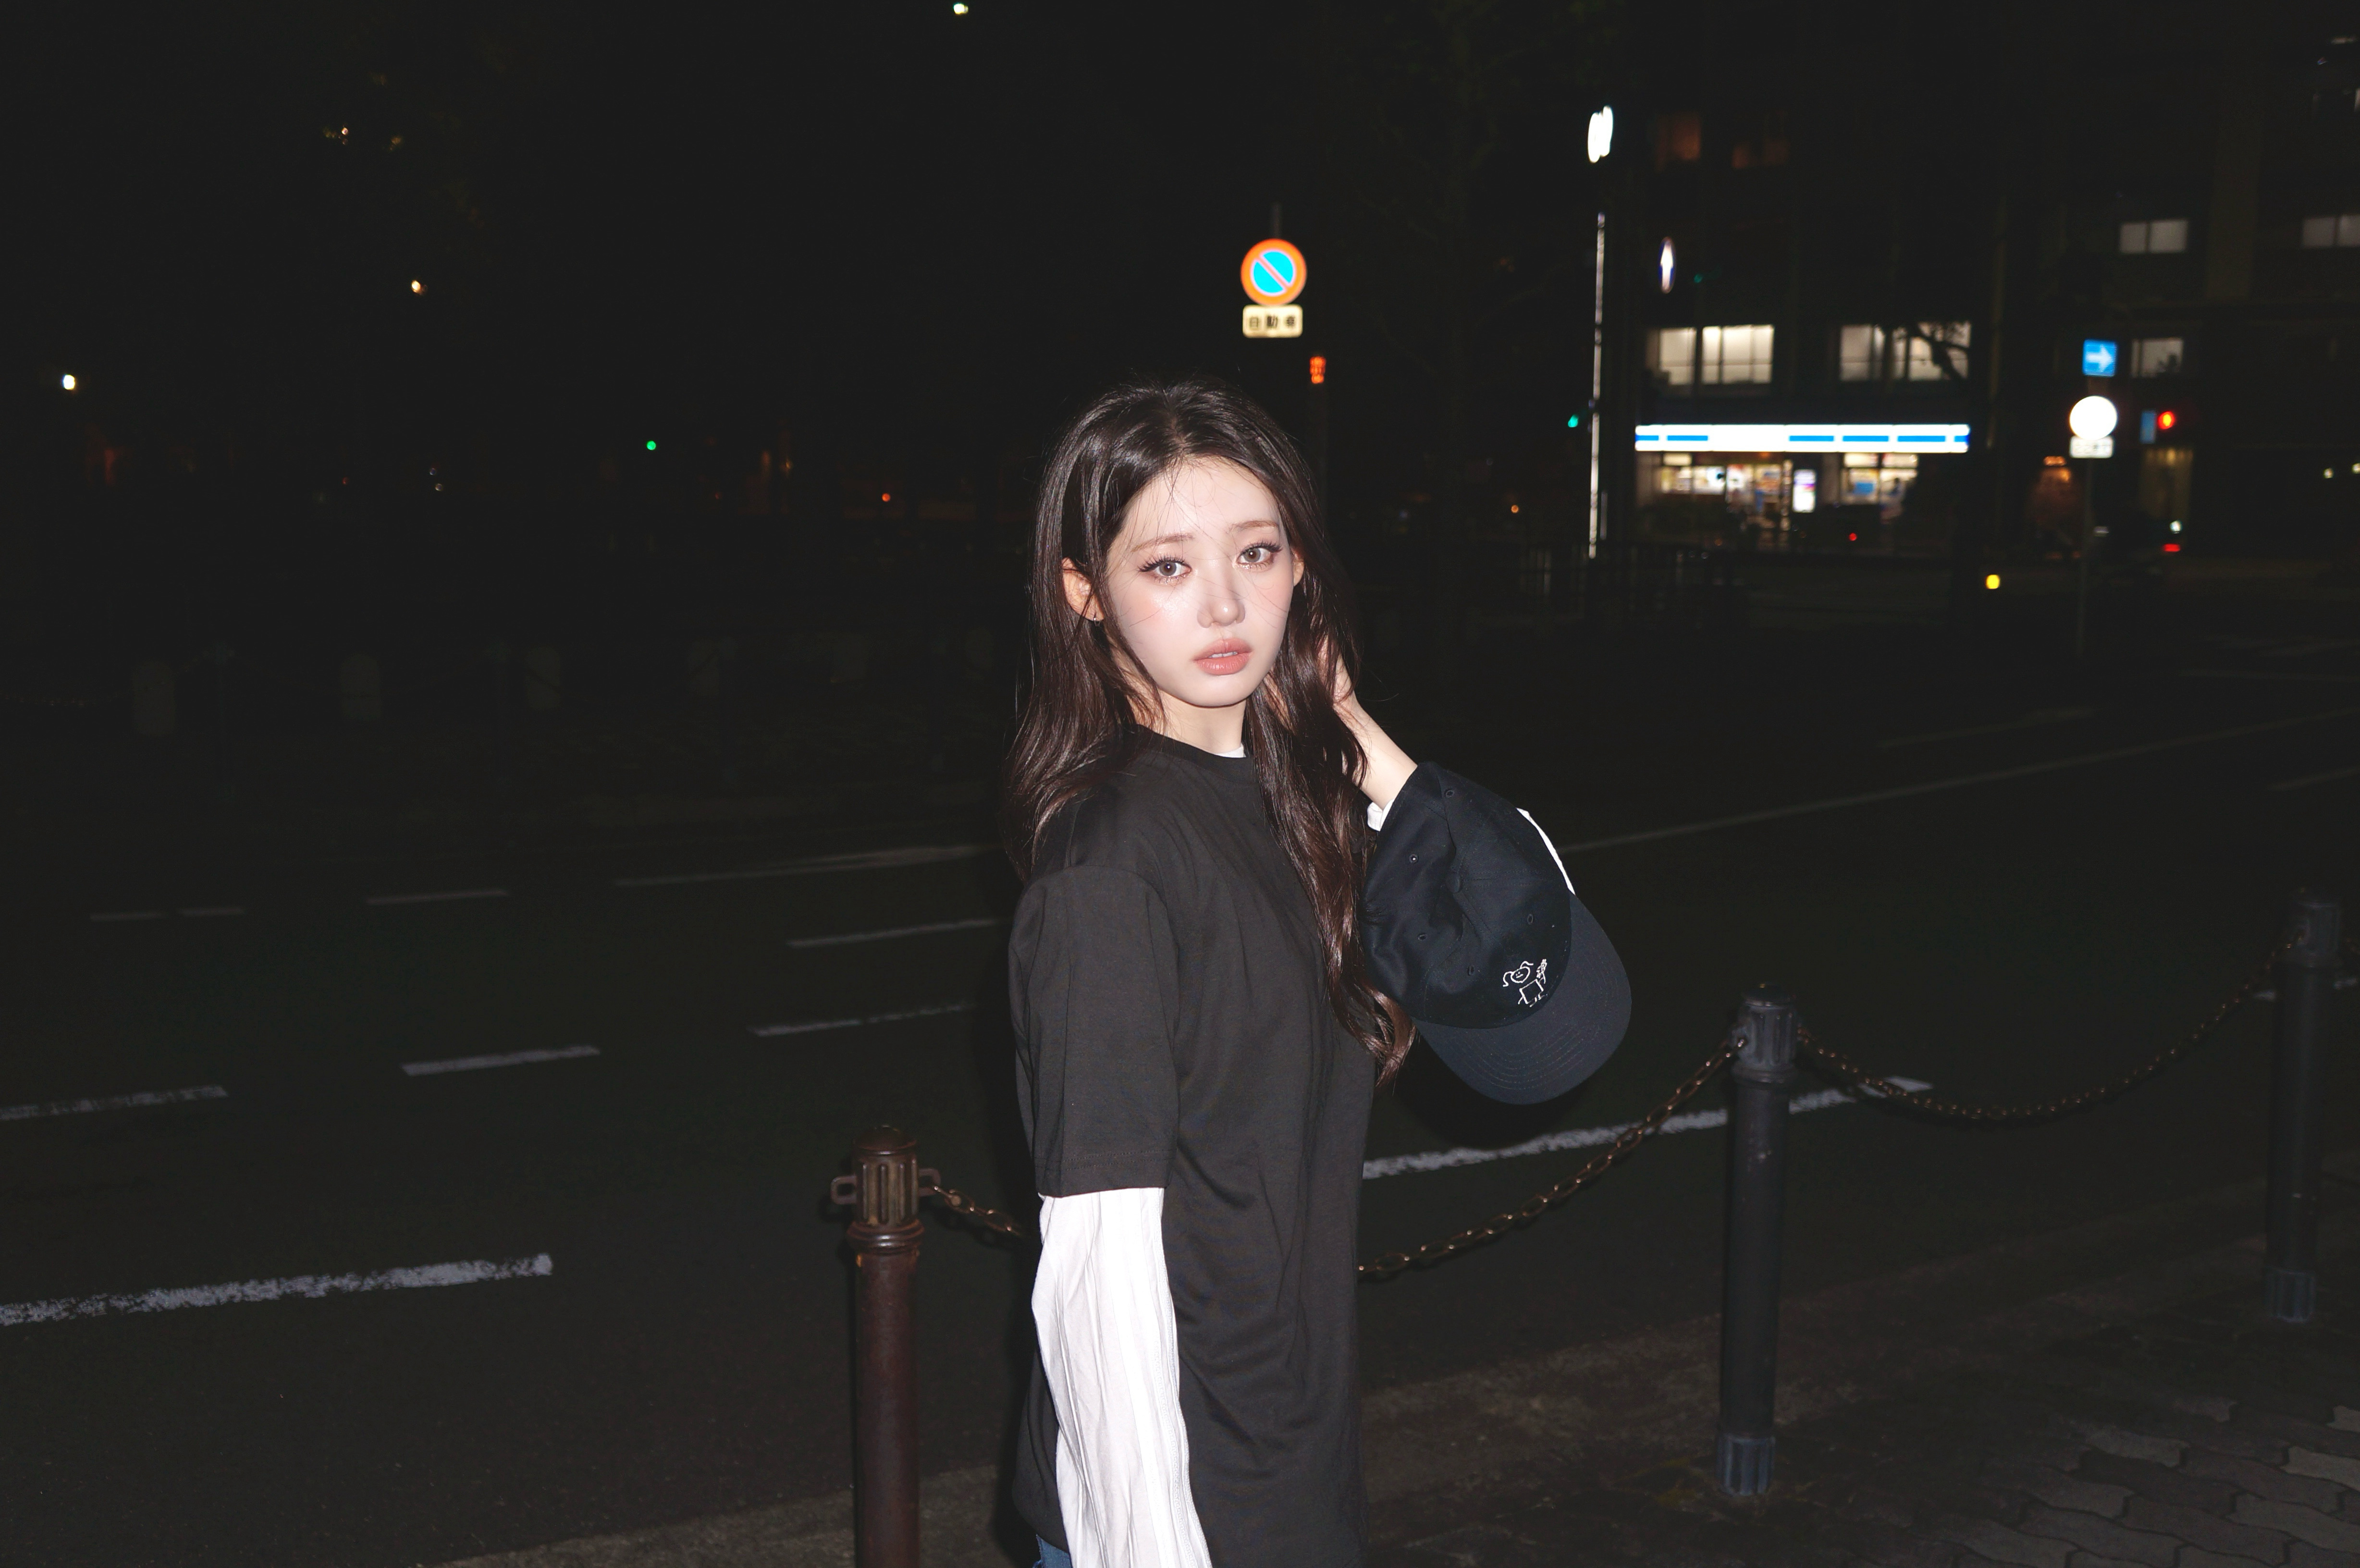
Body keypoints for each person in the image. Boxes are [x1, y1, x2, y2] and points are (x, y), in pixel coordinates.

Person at [1001, 376, 1626, 1568]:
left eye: (1257, 551)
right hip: (1175, 1504)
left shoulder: (1295, 801)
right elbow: (1098, 1259)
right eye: (1167, 566)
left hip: (1291, 1453)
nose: (1226, 603)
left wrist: (1361, 740)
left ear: (1301, 567)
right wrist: (1149, 1548)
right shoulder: (1111, 866)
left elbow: (1547, 984)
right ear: (1085, 593)